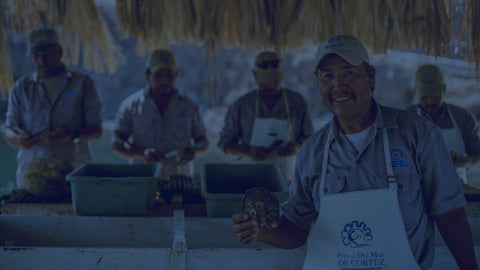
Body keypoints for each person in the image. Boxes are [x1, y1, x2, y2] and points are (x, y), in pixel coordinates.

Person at [232, 35, 478, 270]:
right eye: (327, 76)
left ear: (371, 76)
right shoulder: (312, 152)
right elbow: (297, 228)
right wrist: (259, 231)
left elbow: (449, 214)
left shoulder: (418, 135)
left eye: (348, 73)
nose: (338, 85)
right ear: (318, 83)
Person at [4, 27, 103, 189]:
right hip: (31, 180)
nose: (42, 61)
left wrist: (73, 134)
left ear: (60, 51)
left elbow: (97, 130)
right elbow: (9, 129)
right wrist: (19, 139)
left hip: (74, 178)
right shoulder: (21, 88)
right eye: (36, 56)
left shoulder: (84, 84)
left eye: (47, 54)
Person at [112, 49, 208, 186]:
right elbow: (117, 144)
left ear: (176, 74)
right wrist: (142, 153)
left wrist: (194, 151)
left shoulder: (190, 107)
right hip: (142, 181)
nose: (165, 81)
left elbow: (203, 141)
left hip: (180, 181)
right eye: (159, 75)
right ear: (147, 75)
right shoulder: (130, 106)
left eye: (169, 75)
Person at [218, 51, 314, 182]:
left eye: (274, 80)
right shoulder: (242, 105)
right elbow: (225, 142)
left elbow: (310, 139)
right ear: (255, 76)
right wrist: (247, 150)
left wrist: (296, 146)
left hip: (287, 176)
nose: (270, 85)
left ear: (282, 76)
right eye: (265, 81)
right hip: (249, 176)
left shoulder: (297, 102)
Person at [406, 64, 480, 184]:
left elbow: (477, 155)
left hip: (456, 186)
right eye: (424, 96)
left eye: (435, 95)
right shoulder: (406, 119)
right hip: (418, 188)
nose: (430, 101)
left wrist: (462, 162)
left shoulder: (463, 117)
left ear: (444, 89)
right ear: (415, 92)